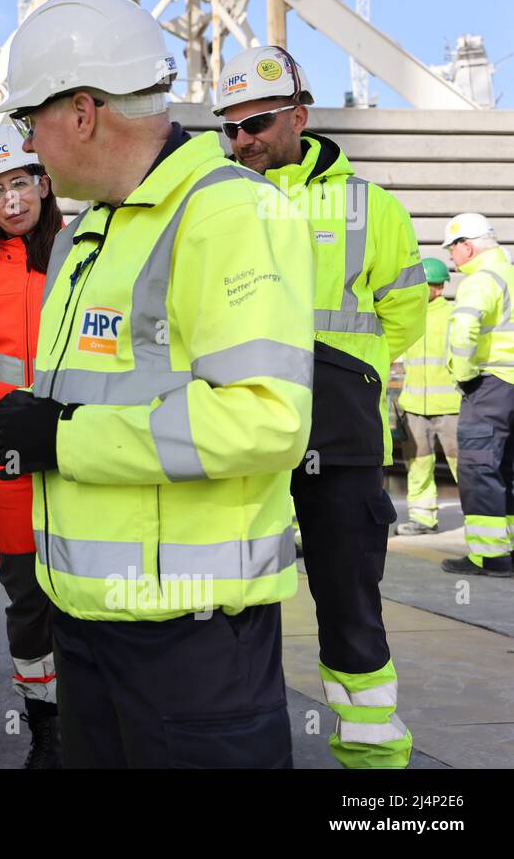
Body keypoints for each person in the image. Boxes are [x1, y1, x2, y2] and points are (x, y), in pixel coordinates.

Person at [0, 0, 315, 768]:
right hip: (87, 623)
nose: (27, 147)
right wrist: (38, 426)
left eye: (29, 122)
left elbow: (264, 418)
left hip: (191, 642)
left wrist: (65, 438)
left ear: (84, 111)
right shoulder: (88, 234)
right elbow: (109, 393)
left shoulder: (228, 214)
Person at [217, 46, 426, 769]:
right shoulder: (217, 202)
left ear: (300, 116)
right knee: (233, 599)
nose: (245, 140)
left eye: (259, 122)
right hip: (239, 432)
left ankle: (372, 764)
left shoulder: (372, 208)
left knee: (348, 601)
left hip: (338, 439)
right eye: (232, 129)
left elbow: (402, 316)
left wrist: (348, 378)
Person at [0, 123, 64, 768]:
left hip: (87, 452)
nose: (12, 201)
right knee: (28, 600)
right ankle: (46, 729)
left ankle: (103, 721)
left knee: (96, 589)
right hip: (9, 468)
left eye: (20, 183)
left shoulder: (88, 255)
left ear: (44, 184)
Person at [441, 212, 514, 577]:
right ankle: (509, 549)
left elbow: (464, 330)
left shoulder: (480, 280)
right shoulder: (510, 274)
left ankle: (489, 557)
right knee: (508, 468)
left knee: (479, 467)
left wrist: (465, 375)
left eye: (452, 249)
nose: (451, 258)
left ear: (466, 246)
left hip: (489, 386)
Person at [396, 257, 460, 536]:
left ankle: (483, 519)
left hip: (451, 407)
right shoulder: (409, 315)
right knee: (418, 464)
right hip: (413, 407)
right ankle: (423, 519)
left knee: (464, 466)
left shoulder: (454, 315)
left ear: (438, 287)